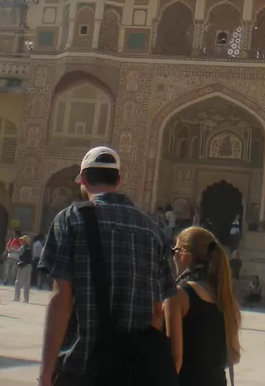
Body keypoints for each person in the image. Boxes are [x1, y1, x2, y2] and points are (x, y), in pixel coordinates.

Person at [37, 146, 177, 386]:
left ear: (82, 179)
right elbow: (157, 310)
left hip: (81, 365)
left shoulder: (70, 219)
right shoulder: (151, 229)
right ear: (119, 180)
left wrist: (46, 372)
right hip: (133, 369)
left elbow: (61, 300)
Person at [167, 226, 242, 386]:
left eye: (174, 251)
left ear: (183, 255)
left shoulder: (178, 295)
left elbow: (175, 359)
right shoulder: (223, 296)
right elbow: (233, 356)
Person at [13, 235, 34, 303]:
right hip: (29, 266)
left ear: (24, 241)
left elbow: (18, 252)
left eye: (21, 240)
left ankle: (16, 297)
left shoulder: (23, 247)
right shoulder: (30, 248)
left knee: (18, 282)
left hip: (23, 266)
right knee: (27, 283)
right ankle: (26, 299)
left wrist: (12, 249)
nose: (20, 241)